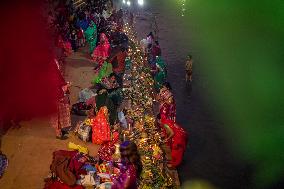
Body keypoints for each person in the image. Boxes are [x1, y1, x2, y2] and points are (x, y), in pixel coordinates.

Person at [49, 59, 72, 139]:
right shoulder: (52, 73)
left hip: (59, 93)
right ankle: (58, 134)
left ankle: (60, 130)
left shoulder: (55, 70)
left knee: (61, 113)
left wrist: (65, 85)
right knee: (57, 115)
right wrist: (65, 87)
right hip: (56, 95)